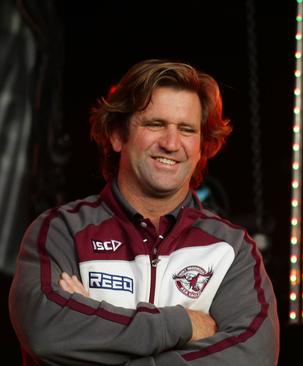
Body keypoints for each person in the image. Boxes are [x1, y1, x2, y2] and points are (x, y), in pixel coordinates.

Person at [9, 59, 280, 365]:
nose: (171, 143)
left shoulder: (232, 250)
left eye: (187, 129)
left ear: (203, 146)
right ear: (116, 135)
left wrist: (96, 333)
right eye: (155, 124)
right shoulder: (61, 231)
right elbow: (48, 331)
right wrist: (186, 325)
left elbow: (253, 356)